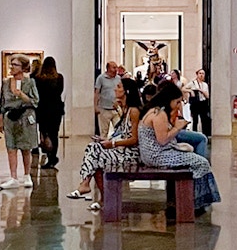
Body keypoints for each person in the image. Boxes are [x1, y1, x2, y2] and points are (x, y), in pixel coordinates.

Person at [138, 83, 221, 214]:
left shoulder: (155, 111)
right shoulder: (159, 114)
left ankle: (194, 200)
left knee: (197, 160)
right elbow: (162, 140)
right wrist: (177, 128)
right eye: (177, 102)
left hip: (154, 154)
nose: (178, 105)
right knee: (201, 163)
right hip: (157, 156)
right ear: (169, 99)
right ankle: (195, 203)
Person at [68, 77, 142, 212]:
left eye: (119, 87)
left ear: (126, 91)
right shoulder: (125, 110)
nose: (115, 89)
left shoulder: (134, 111)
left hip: (131, 153)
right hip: (122, 150)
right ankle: (95, 191)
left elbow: (134, 139)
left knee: (96, 154)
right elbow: (122, 133)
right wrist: (105, 140)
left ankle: (87, 185)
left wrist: (112, 143)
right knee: (94, 149)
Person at [0, 54, 40, 189]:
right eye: (11, 64)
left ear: (23, 68)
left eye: (15, 65)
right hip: (10, 117)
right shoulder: (6, 82)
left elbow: (35, 101)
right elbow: (2, 103)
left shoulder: (30, 82)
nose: (12, 67)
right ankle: (13, 177)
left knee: (25, 147)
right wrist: (1, 119)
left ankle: (27, 175)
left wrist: (21, 94)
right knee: (11, 147)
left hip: (25, 116)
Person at [33, 56, 65, 170]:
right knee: (54, 134)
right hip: (56, 109)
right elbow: (60, 91)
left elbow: (37, 94)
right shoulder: (59, 78)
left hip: (42, 109)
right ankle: (53, 157)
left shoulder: (38, 79)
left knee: (44, 132)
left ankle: (47, 152)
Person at [94, 62, 121, 138]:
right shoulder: (101, 78)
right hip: (104, 109)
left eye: (116, 67)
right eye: (114, 67)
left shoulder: (118, 78)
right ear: (108, 68)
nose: (116, 69)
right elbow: (97, 93)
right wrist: (96, 106)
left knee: (119, 130)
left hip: (116, 109)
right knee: (104, 132)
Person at [186, 69, 211, 136]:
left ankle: (205, 134)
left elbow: (207, 96)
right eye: (200, 73)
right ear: (197, 74)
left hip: (203, 103)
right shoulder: (193, 83)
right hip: (195, 103)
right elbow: (184, 88)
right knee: (195, 119)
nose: (201, 75)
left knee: (204, 119)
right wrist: (191, 91)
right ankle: (194, 134)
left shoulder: (205, 85)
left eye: (203, 73)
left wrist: (201, 90)